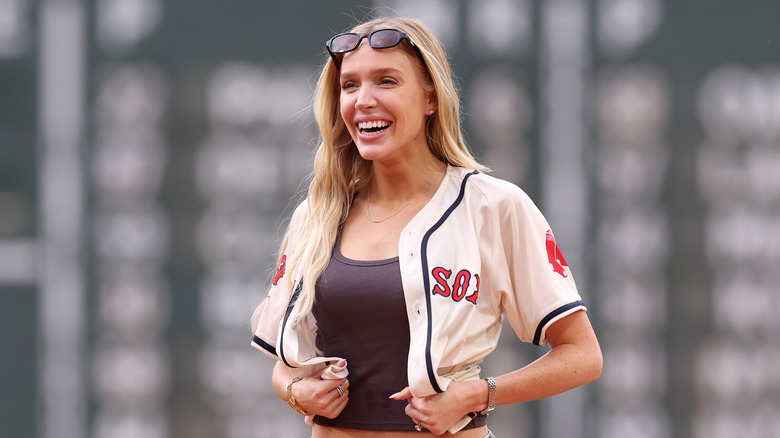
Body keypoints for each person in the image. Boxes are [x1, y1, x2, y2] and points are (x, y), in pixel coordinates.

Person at [250, 16, 602, 438]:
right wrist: (296, 392)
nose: (363, 100)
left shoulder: (491, 205)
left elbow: (582, 356)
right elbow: (283, 369)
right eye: (350, 85)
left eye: (386, 81)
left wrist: (475, 394)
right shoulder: (318, 215)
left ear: (430, 98)